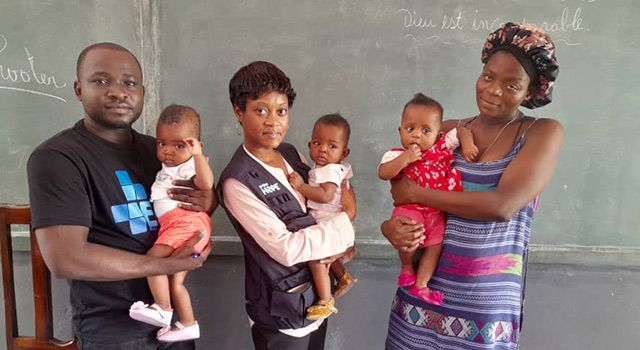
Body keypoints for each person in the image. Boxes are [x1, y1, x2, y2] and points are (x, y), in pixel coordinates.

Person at [381, 22, 563, 350]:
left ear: (530, 91)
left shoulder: (540, 133)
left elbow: (502, 206)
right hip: (421, 295)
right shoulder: (444, 129)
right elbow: (401, 191)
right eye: (489, 76)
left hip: (483, 309)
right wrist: (390, 228)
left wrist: (415, 193)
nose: (493, 90)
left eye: (512, 85)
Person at [27, 43, 216, 350]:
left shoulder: (162, 150)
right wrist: (161, 266)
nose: (118, 92)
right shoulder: (57, 158)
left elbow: (199, 194)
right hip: (115, 331)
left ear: (142, 91)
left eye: (129, 83)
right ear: (78, 89)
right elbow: (66, 259)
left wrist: (210, 201)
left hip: (173, 324)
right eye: (101, 81)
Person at [216, 61, 356, 350]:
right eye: (261, 111)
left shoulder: (290, 153)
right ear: (239, 113)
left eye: (281, 111)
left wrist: (339, 244)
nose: (273, 122)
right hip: (281, 308)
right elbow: (287, 248)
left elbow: (318, 205)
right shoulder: (237, 181)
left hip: (318, 297)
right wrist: (344, 225)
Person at [378, 93, 476, 306]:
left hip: (437, 213)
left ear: (437, 135)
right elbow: (384, 172)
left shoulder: (441, 148)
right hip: (410, 210)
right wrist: (405, 159)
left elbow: (461, 131)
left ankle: (421, 284)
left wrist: (467, 145)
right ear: (400, 130)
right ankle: (406, 267)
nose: (416, 136)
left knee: (434, 248)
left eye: (425, 131)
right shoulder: (396, 154)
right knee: (408, 238)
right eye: (410, 129)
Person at [129, 105, 213, 342]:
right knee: (176, 282)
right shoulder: (170, 166)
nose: (168, 151)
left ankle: (163, 309)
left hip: (184, 224)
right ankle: (188, 323)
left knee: (153, 261)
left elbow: (205, 184)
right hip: (179, 226)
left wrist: (197, 157)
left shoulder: (190, 166)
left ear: (195, 145)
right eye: (161, 143)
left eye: (179, 145)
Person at [288, 113, 357, 320]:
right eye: (317, 143)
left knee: (317, 258)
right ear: (309, 144)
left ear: (344, 152)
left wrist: (300, 186)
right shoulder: (328, 168)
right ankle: (342, 277)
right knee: (326, 255)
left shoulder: (329, 172)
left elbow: (325, 196)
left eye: (332, 146)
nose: (323, 150)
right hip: (334, 223)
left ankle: (326, 300)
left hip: (329, 223)